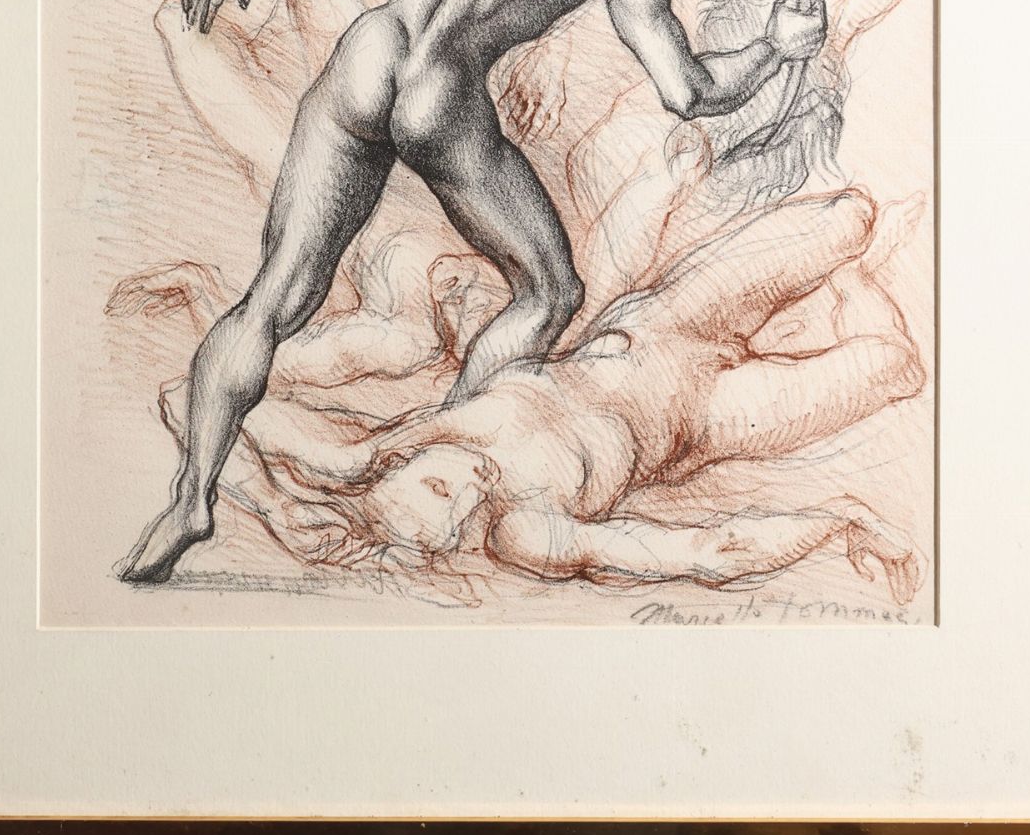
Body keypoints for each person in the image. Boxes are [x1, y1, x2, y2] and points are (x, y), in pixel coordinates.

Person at [117, 0, 828, 583]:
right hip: (441, 93)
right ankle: (438, 457)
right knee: (549, 291)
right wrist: (773, 46)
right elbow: (690, 90)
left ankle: (191, 496)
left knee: (271, 299)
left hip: (372, 53)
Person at [220, 189, 927, 604]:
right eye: (456, 518)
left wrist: (290, 496)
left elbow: (189, 398)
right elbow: (701, 551)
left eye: (437, 485)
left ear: (405, 464)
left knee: (851, 217)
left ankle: (848, 274)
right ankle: (857, 289)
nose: (469, 490)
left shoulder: (410, 438)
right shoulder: (525, 530)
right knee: (898, 367)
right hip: (710, 412)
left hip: (663, 318)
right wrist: (840, 524)